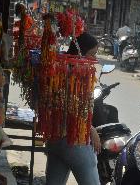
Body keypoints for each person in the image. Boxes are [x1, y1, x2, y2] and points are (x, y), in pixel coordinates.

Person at [46, 32, 101, 185]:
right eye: (91, 54)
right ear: (80, 52)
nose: (94, 59)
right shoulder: (76, 74)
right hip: (74, 141)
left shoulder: (59, 69)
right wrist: (91, 129)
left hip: (54, 139)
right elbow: (73, 110)